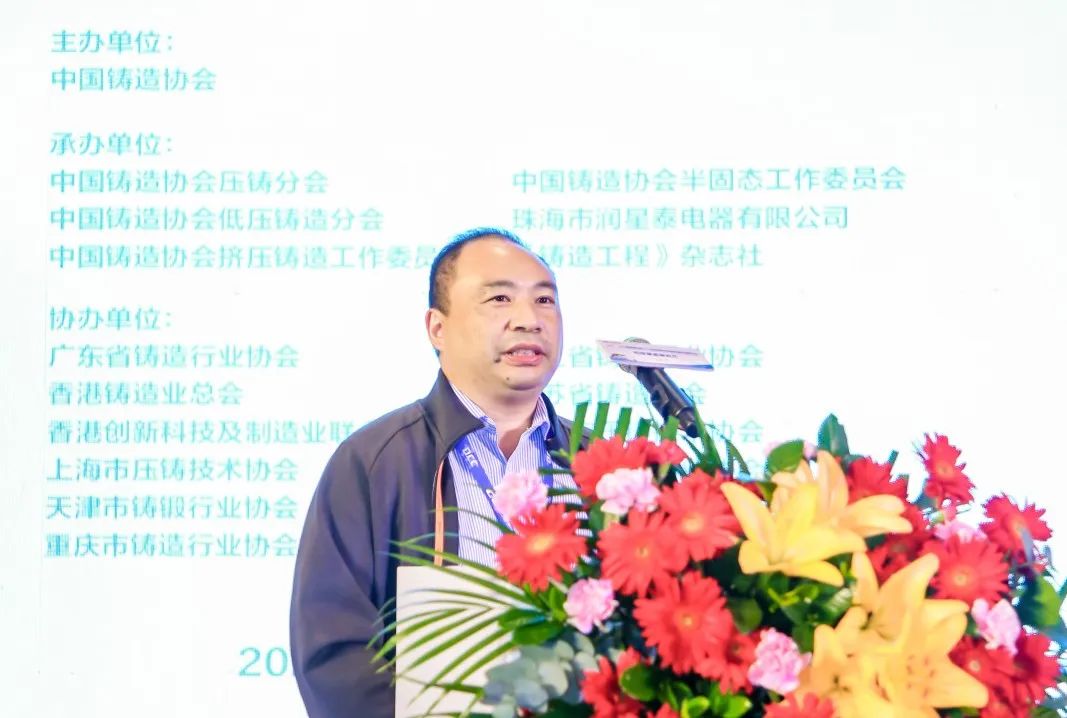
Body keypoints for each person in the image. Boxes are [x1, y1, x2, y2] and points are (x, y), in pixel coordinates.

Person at [289, 228, 580, 718]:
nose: (529, 320)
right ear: (437, 328)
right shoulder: (373, 461)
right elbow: (333, 653)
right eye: (500, 298)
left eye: (544, 300)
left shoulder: (602, 466)